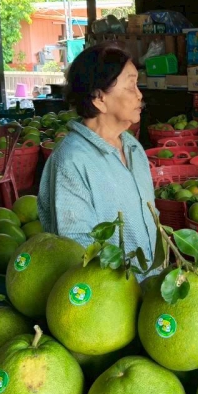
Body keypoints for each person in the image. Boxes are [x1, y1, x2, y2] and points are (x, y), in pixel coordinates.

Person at [38, 43, 157, 277]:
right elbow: (79, 249)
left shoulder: (133, 147)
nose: (140, 94)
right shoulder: (71, 162)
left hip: (150, 290)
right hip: (111, 299)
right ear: (99, 98)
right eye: (130, 85)